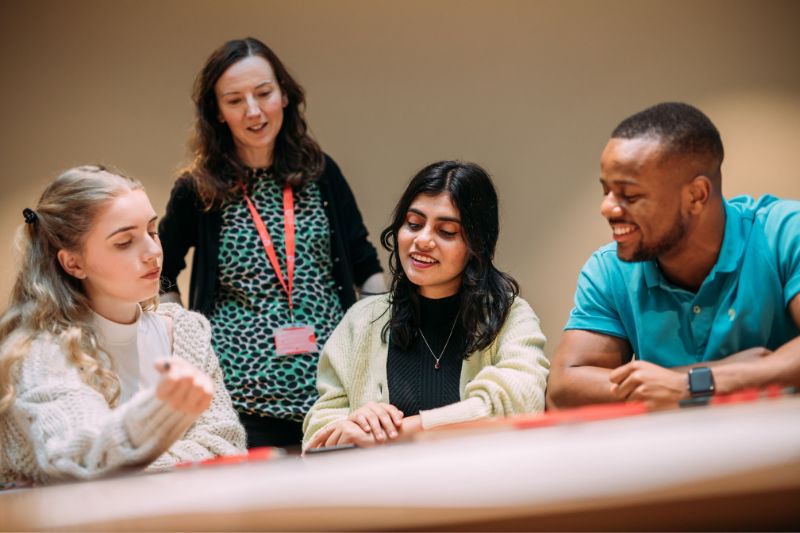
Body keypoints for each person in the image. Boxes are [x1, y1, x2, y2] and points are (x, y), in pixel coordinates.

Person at [158, 37, 384, 449]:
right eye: (235, 100)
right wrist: (182, 345)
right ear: (217, 113)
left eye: (263, 93)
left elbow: (365, 263)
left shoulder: (320, 173)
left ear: (284, 94)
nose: (254, 111)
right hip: (241, 407)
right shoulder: (198, 188)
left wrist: (377, 352)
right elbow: (159, 270)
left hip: (333, 401)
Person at [0, 166, 245, 485]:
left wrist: (142, 461)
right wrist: (161, 414)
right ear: (73, 262)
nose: (153, 252)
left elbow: (226, 446)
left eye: (152, 231)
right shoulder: (39, 352)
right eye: (125, 242)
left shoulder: (183, 330)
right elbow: (82, 459)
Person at [547, 102, 800, 410]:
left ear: (696, 195)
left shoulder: (784, 233)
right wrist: (706, 378)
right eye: (607, 192)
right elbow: (565, 386)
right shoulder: (608, 269)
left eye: (630, 195)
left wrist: (688, 386)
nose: (607, 208)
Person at [303, 161, 549, 450]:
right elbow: (317, 432)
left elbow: (518, 404)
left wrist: (398, 432)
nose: (422, 240)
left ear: (476, 244)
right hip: (383, 493)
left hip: (479, 490)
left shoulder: (509, 316)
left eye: (446, 231)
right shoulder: (362, 320)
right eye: (414, 224)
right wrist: (352, 423)